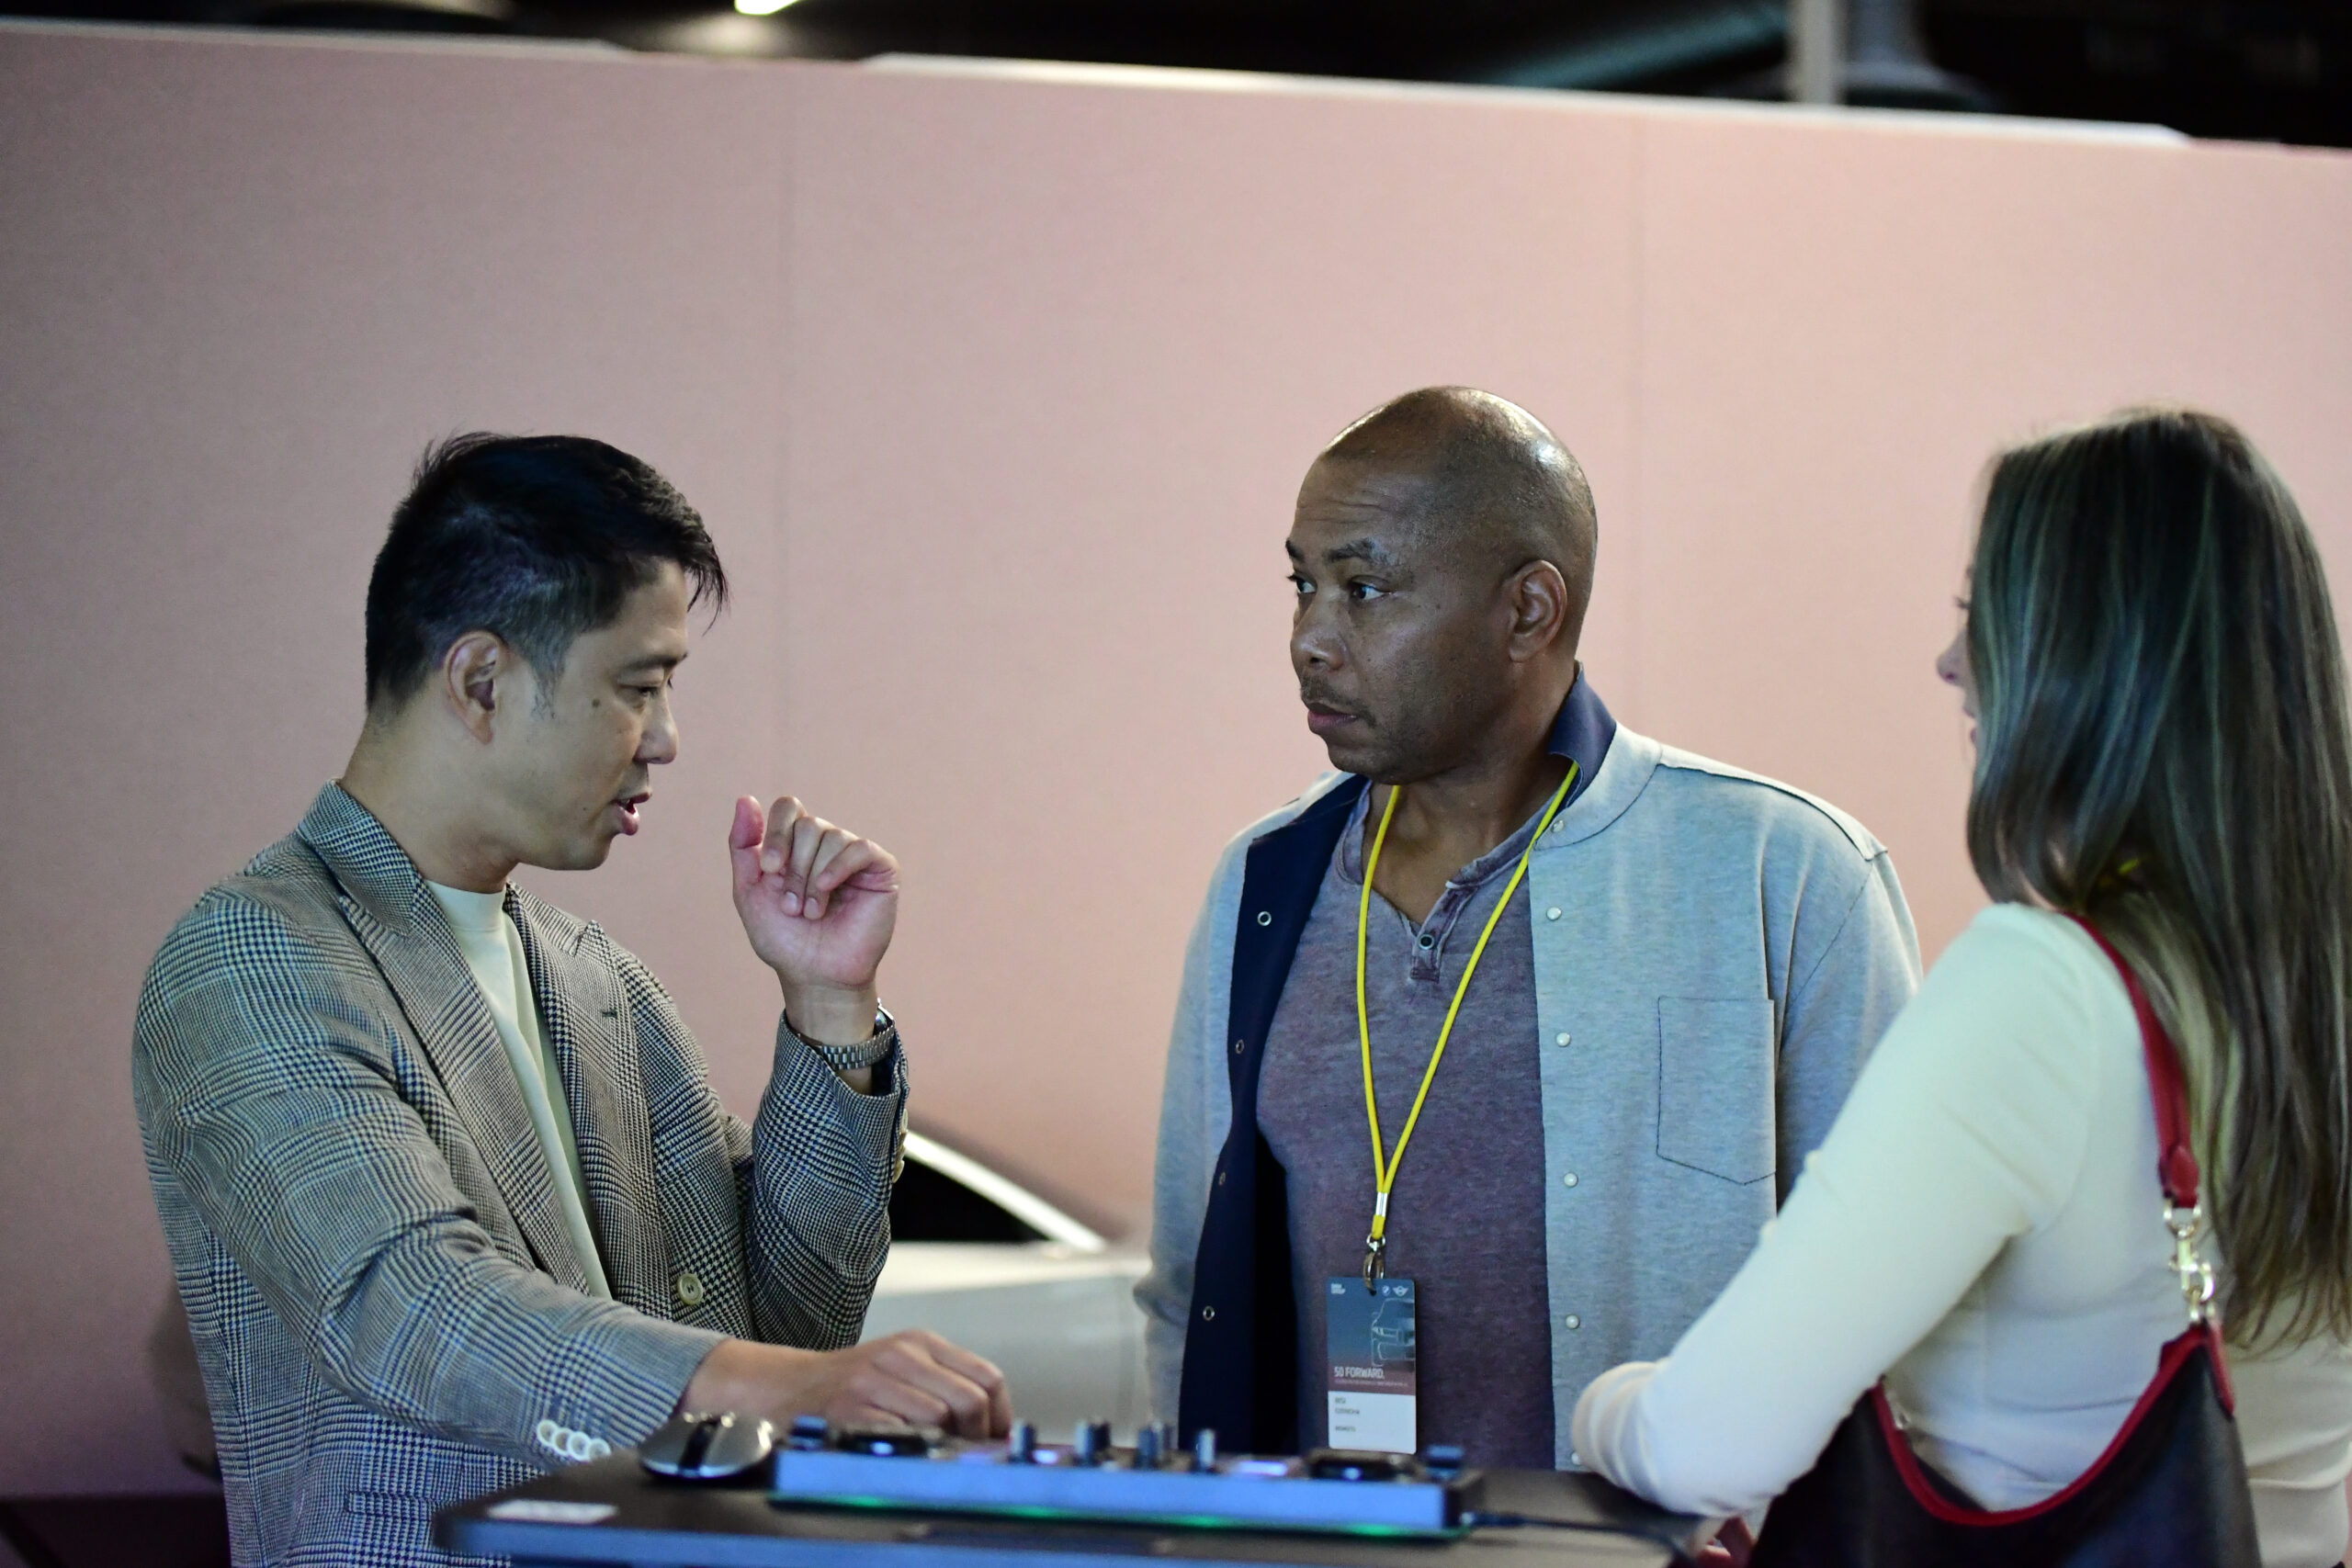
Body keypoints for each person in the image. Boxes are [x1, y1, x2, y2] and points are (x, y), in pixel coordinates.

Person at [132, 434, 1012, 1568]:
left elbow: (792, 1330)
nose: (668, 740)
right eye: (639, 687)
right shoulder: (252, 958)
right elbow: (411, 1306)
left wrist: (828, 1004)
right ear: (481, 681)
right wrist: (786, 1387)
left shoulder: (596, 980)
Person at [1571, 409, 2352, 1566]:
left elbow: (1704, 1447)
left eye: (1981, 615)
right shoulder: (2317, 994)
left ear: (2086, 660)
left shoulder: (2044, 990)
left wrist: (1607, 1406)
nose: (1951, 663)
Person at [1136, 388, 1922, 1469]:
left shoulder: (1782, 872)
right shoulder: (1262, 885)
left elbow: (1898, 1291)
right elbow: (1186, 1291)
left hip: (1673, 1538)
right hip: (1335, 1539)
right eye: (1303, 584)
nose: (1311, 639)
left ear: (1528, 611)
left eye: (1364, 589)